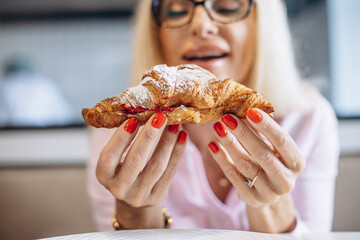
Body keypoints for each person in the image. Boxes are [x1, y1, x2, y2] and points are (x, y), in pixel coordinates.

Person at [87, 0, 339, 233]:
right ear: (155, 33)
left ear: (263, 24)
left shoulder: (309, 121)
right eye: (176, 10)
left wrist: (275, 209)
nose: (201, 26)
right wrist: (135, 215)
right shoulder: (119, 131)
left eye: (228, 7)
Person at [0, 56, 74, 127]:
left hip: (11, 135)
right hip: (44, 134)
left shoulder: (5, 85)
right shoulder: (45, 83)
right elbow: (65, 116)